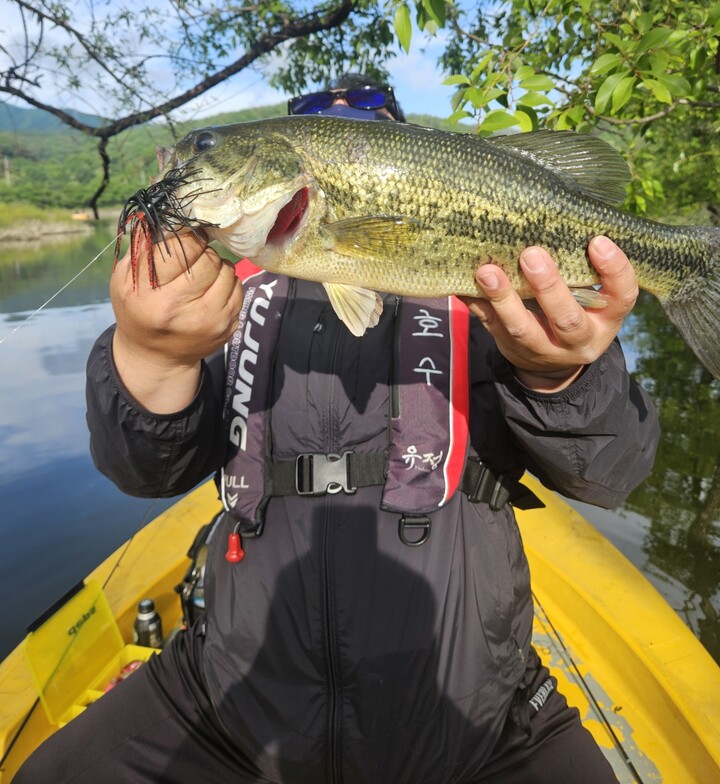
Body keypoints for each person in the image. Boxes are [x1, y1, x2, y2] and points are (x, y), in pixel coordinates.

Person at [16, 73, 659, 784]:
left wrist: (560, 375)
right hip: (233, 697)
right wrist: (150, 354)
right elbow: (145, 470)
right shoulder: (220, 298)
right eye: (321, 120)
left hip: (476, 709)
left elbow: (611, 471)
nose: (187, 159)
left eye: (372, 124)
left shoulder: (499, 317)